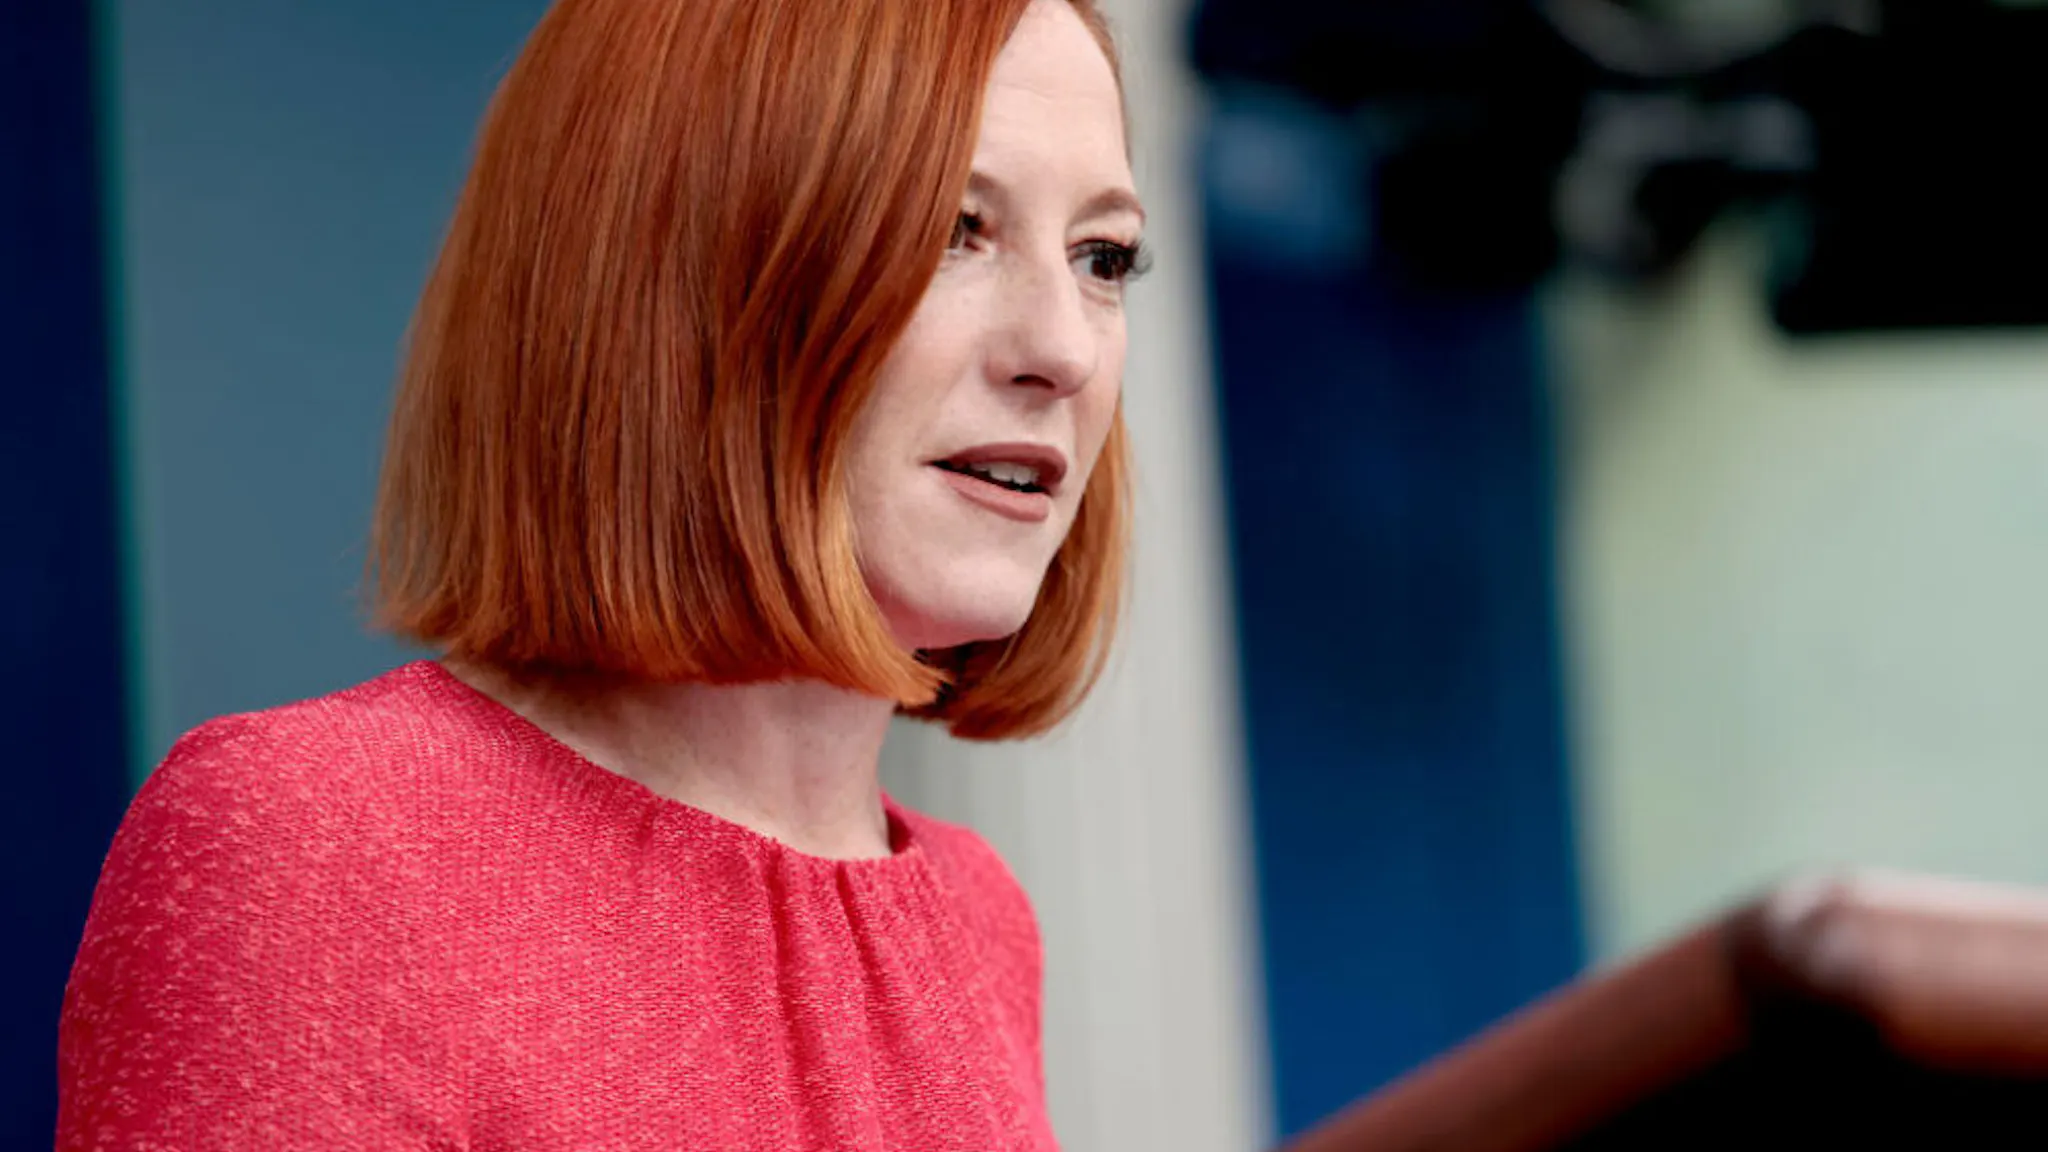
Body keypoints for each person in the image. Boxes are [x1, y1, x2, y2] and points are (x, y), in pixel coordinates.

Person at [57, 0, 1148, 1145]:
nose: (1064, 350)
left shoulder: (978, 916)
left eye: (1103, 257)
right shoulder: (317, 847)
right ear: (676, 278)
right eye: (948, 228)